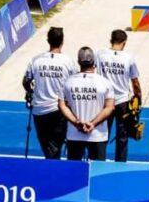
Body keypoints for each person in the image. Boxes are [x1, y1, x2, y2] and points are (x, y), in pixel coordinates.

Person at [21, 26, 77, 159]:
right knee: (54, 147)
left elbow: (26, 81)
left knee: (48, 147)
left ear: (48, 40)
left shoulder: (36, 60)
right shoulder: (68, 62)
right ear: (62, 42)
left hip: (39, 111)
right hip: (59, 110)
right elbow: (74, 83)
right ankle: (54, 172)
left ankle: (52, 170)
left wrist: (30, 91)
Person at [63, 46, 119, 160]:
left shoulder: (68, 82)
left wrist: (76, 123)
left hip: (74, 135)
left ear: (79, 62)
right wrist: (92, 124)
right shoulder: (105, 83)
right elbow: (110, 107)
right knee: (97, 172)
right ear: (94, 62)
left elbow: (62, 105)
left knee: (74, 171)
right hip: (97, 135)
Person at [100, 27, 143, 162]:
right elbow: (135, 82)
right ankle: (120, 162)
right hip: (122, 103)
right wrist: (138, 97)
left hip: (104, 101)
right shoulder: (128, 58)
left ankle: (98, 160)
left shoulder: (100, 55)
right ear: (124, 42)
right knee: (122, 136)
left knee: (102, 135)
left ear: (110, 40)